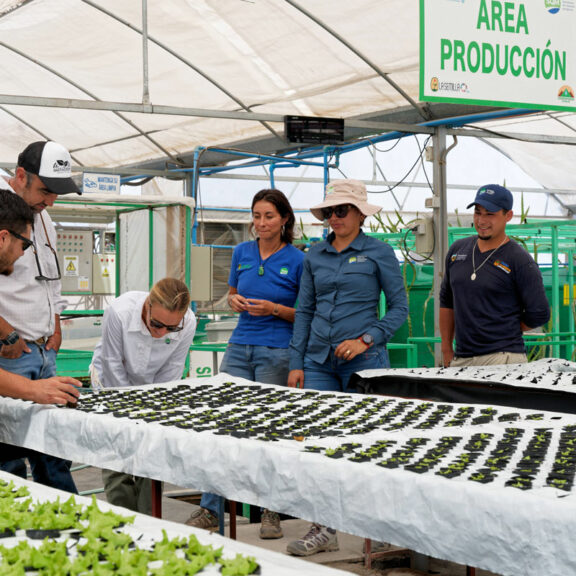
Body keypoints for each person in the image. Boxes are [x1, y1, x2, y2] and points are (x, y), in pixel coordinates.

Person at [286, 179, 408, 556]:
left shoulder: (379, 253)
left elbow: (400, 308)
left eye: (342, 211)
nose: (334, 218)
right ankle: (325, 528)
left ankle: (379, 525)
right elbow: (304, 311)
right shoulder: (314, 255)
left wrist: (366, 340)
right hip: (318, 362)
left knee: (367, 444)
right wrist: (296, 363)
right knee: (320, 444)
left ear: (359, 214)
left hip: (365, 362)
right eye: (330, 212)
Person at [186, 189, 304, 540]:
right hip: (239, 347)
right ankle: (212, 508)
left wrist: (275, 310)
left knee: (270, 431)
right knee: (222, 425)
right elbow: (234, 291)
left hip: (277, 351)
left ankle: (271, 511)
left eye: (268, 216)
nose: (261, 223)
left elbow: (305, 314)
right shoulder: (241, 252)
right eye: (256, 216)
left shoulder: (298, 260)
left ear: (284, 219)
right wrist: (234, 301)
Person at [0, 141, 82, 493]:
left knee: (53, 451)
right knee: (8, 455)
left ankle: (67, 522)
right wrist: (7, 336)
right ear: (20, 176)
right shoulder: (6, 214)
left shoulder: (41, 216)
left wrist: (56, 325)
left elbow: (50, 279)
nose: (50, 201)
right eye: (45, 191)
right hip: (12, 353)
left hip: (42, 350)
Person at [91, 277, 196, 514]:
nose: (162, 333)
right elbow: (112, 365)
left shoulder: (188, 322)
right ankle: (123, 521)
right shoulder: (119, 312)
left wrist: (154, 409)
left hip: (153, 388)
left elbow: (172, 370)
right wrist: (128, 411)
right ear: (148, 304)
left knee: (151, 456)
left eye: (172, 328)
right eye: (157, 324)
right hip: (112, 386)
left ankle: (148, 521)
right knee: (116, 458)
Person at [439, 184, 550, 367]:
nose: (481, 221)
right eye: (477, 213)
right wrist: (446, 349)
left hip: (503, 358)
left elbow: (540, 313)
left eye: (490, 214)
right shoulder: (457, 250)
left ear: (508, 216)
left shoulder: (519, 259)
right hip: (462, 358)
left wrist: (507, 329)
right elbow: (446, 300)